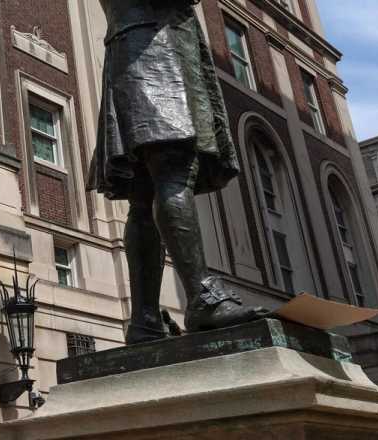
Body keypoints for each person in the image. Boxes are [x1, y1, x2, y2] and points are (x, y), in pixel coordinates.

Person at [86, 0, 268, 344]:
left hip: (154, 44)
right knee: (171, 170)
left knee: (144, 192)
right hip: (152, 49)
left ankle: (144, 320)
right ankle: (202, 298)